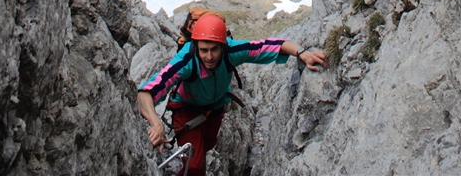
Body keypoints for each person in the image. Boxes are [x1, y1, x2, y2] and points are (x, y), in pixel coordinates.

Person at [137, 12, 328, 175]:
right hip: (187, 110)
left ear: (223, 46)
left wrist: (302, 53)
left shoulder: (232, 51)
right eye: (204, 50)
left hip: (215, 109)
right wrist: (157, 125)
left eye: (214, 50)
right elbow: (146, 92)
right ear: (196, 47)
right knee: (194, 164)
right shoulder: (186, 60)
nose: (209, 57)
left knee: (207, 145)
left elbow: (268, 45)